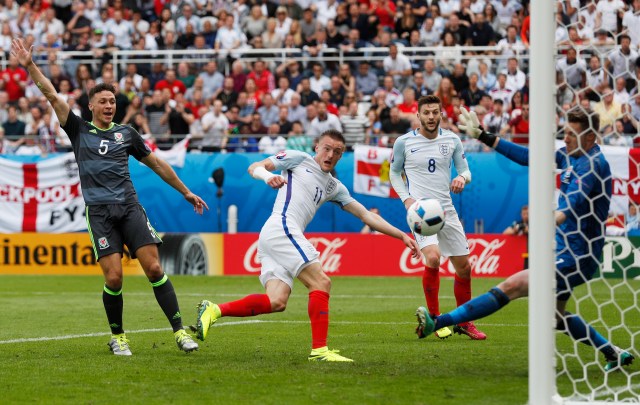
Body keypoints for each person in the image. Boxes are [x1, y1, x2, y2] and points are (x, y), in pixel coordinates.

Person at [10, 38, 209, 356]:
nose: (108, 106)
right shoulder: (78, 129)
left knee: (154, 269)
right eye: (103, 101)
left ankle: (179, 332)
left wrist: (185, 192)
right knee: (114, 277)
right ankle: (118, 336)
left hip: (129, 207)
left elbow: (156, 163)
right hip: (99, 213)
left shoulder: (127, 133)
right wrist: (31, 65)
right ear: (91, 105)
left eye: (112, 101)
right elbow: (50, 94)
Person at [418, 107, 635, 372]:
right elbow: (528, 157)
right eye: (565, 132)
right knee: (555, 317)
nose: (565, 138)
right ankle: (614, 353)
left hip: (579, 256)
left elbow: (576, 200)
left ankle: (437, 323)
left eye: (572, 134)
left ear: (590, 138)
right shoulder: (570, 155)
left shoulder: (592, 165)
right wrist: (484, 136)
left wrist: (554, 217)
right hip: (566, 249)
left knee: (514, 285)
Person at [194, 130, 420, 362]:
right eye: (327, 148)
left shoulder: (334, 187)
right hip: (282, 227)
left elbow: (366, 215)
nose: (330, 155)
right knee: (321, 281)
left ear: (341, 156)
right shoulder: (298, 159)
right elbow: (255, 167)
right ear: (316, 147)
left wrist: (401, 235)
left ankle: (214, 310)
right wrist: (267, 177)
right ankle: (320, 351)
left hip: (276, 234)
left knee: (276, 301)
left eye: (337, 152)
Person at [389, 95, 487, 341]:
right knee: (432, 258)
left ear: (441, 114)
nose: (431, 117)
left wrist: (461, 178)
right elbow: (394, 172)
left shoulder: (452, 139)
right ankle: (434, 318)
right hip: (422, 212)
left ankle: (464, 322)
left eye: (435, 112)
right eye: (426, 113)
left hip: (446, 209)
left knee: (464, 268)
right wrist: (407, 199)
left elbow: (465, 170)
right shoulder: (403, 142)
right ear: (418, 115)